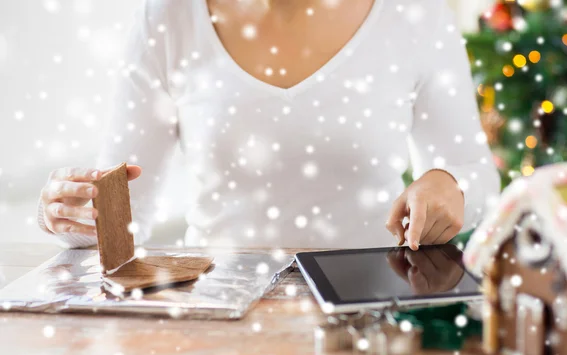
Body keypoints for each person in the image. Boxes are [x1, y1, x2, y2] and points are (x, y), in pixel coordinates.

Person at [38, 0, 500, 250]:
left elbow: (478, 180)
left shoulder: (417, 14)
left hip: (369, 311)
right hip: (216, 312)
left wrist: (450, 183)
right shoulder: (168, 15)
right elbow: (120, 215)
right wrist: (69, 214)